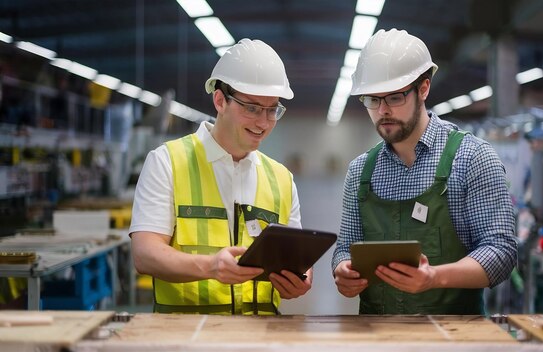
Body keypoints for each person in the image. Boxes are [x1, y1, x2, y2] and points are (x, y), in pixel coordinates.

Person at [331, 29, 517, 315]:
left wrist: (436, 277)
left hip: (453, 336)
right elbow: (346, 247)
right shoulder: (360, 172)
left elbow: (501, 251)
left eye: (394, 98)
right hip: (375, 336)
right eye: (372, 100)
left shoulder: (471, 159)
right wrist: (343, 270)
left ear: (424, 89)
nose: (382, 111)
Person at [130, 39, 311, 315]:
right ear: (220, 100)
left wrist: (301, 278)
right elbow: (144, 254)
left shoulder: (282, 179)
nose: (263, 122)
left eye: (272, 109)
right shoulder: (167, 162)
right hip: (184, 339)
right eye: (251, 108)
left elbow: (298, 259)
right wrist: (209, 266)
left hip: (261, 338)